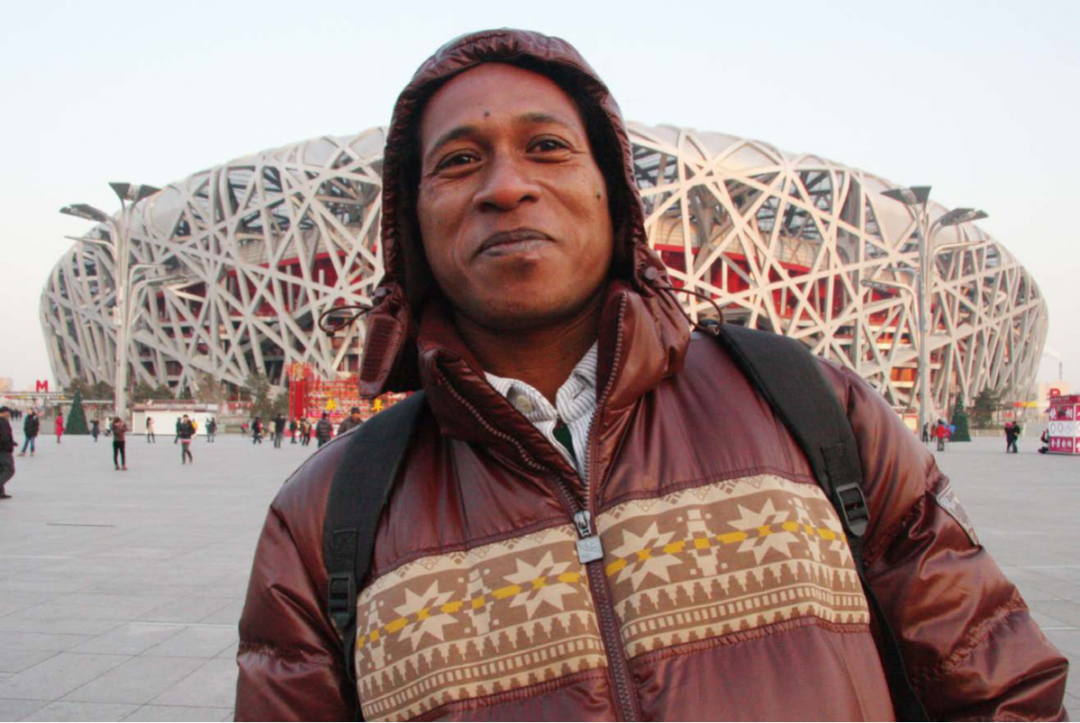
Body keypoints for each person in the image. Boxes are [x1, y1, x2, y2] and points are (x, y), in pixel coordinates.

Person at [235, 30, 1067, 722]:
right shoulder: (326, 517)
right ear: (410, 222)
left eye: (547, 147)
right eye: (457, 161)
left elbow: (997, 688)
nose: (507, 186)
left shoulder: (814, 410)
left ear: (614, 192)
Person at [0, 407, 15, 500]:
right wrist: (9, 444)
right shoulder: (3, 422)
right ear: (4, 413)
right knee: (9, 470)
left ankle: (1, 492)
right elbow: (5, 437)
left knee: (1, 470)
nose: (9, 414)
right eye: (8, 412)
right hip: (4, 450)